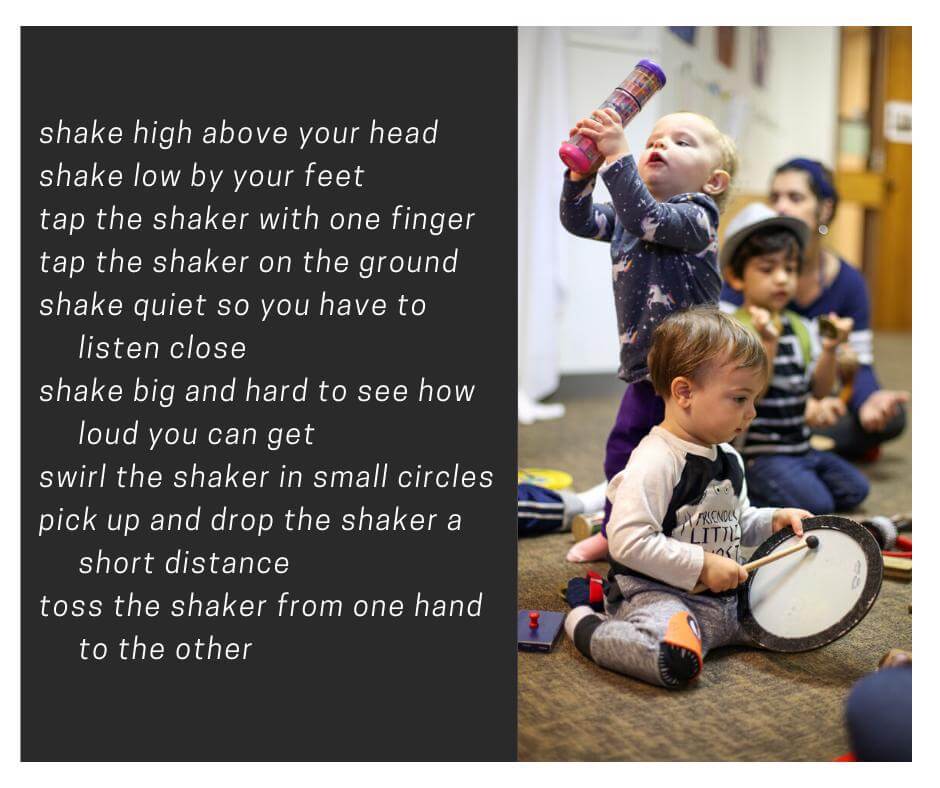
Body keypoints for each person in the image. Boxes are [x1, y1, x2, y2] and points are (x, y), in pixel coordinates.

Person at [565, 307, 811, 688]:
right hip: (660, 594)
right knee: (671, 661)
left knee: (802, 619)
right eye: (740, 398)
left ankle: (716, 632)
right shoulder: (656, 459)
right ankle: (586, 621)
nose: (752, 412)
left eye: (754, 399)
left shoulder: (728, 456)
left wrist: (772, 519)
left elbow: (737, 520)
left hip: (725, 595)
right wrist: (699, 565)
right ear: (684, 392)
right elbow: (627, 541)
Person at [559, 109, 737, 562]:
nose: (659, 145)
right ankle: (616, 526)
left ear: (714, 181)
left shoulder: (698, 217)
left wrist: (618, 154)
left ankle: (686, 530)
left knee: (690, 457)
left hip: (695, 370)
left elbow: (647, 217)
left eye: (681, 142)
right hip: (646, 367)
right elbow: (578, 221)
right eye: (654, 139)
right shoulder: (628, 217)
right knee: (625, 446)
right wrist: (583, 174)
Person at [720, 158, 908, 460]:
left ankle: (804, 444)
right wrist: (799, 405)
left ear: (825, 209)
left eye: (794, 198)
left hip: (817, 391)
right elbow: (721, 357)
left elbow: (858, 363)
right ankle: (802, 447)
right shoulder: (748, 268)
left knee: (893, 418)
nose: (780, 207)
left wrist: (871, 400)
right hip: (757, 398)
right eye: (774, 197)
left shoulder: (849, 282)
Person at [722, 203, 869, 513]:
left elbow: (817, 390)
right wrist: (768, 343)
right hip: (761, 453)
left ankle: (775, 489)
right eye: (767, 269)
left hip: (800, 446)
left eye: (789, 269)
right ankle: (740, 489)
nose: (782, 279)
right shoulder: (735, 327)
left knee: (856, 489)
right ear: (736, 277)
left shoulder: (801, 326)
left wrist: (829, 350)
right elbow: (753, 394)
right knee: (819, 503)